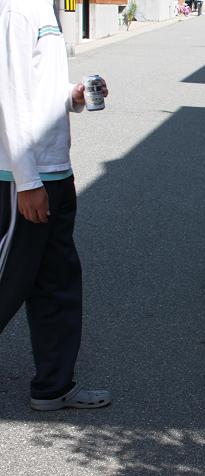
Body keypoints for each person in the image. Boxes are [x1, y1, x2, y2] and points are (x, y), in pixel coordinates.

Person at [0, 0, 111, 410]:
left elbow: (38, 89)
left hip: (55, 171)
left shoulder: (47, 9)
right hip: (22, 178)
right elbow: (7, 95)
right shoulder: (15, 9)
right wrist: (27, 181)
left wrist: (75, 96)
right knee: (6, 284)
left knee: (59, 285)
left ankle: (54, 385)